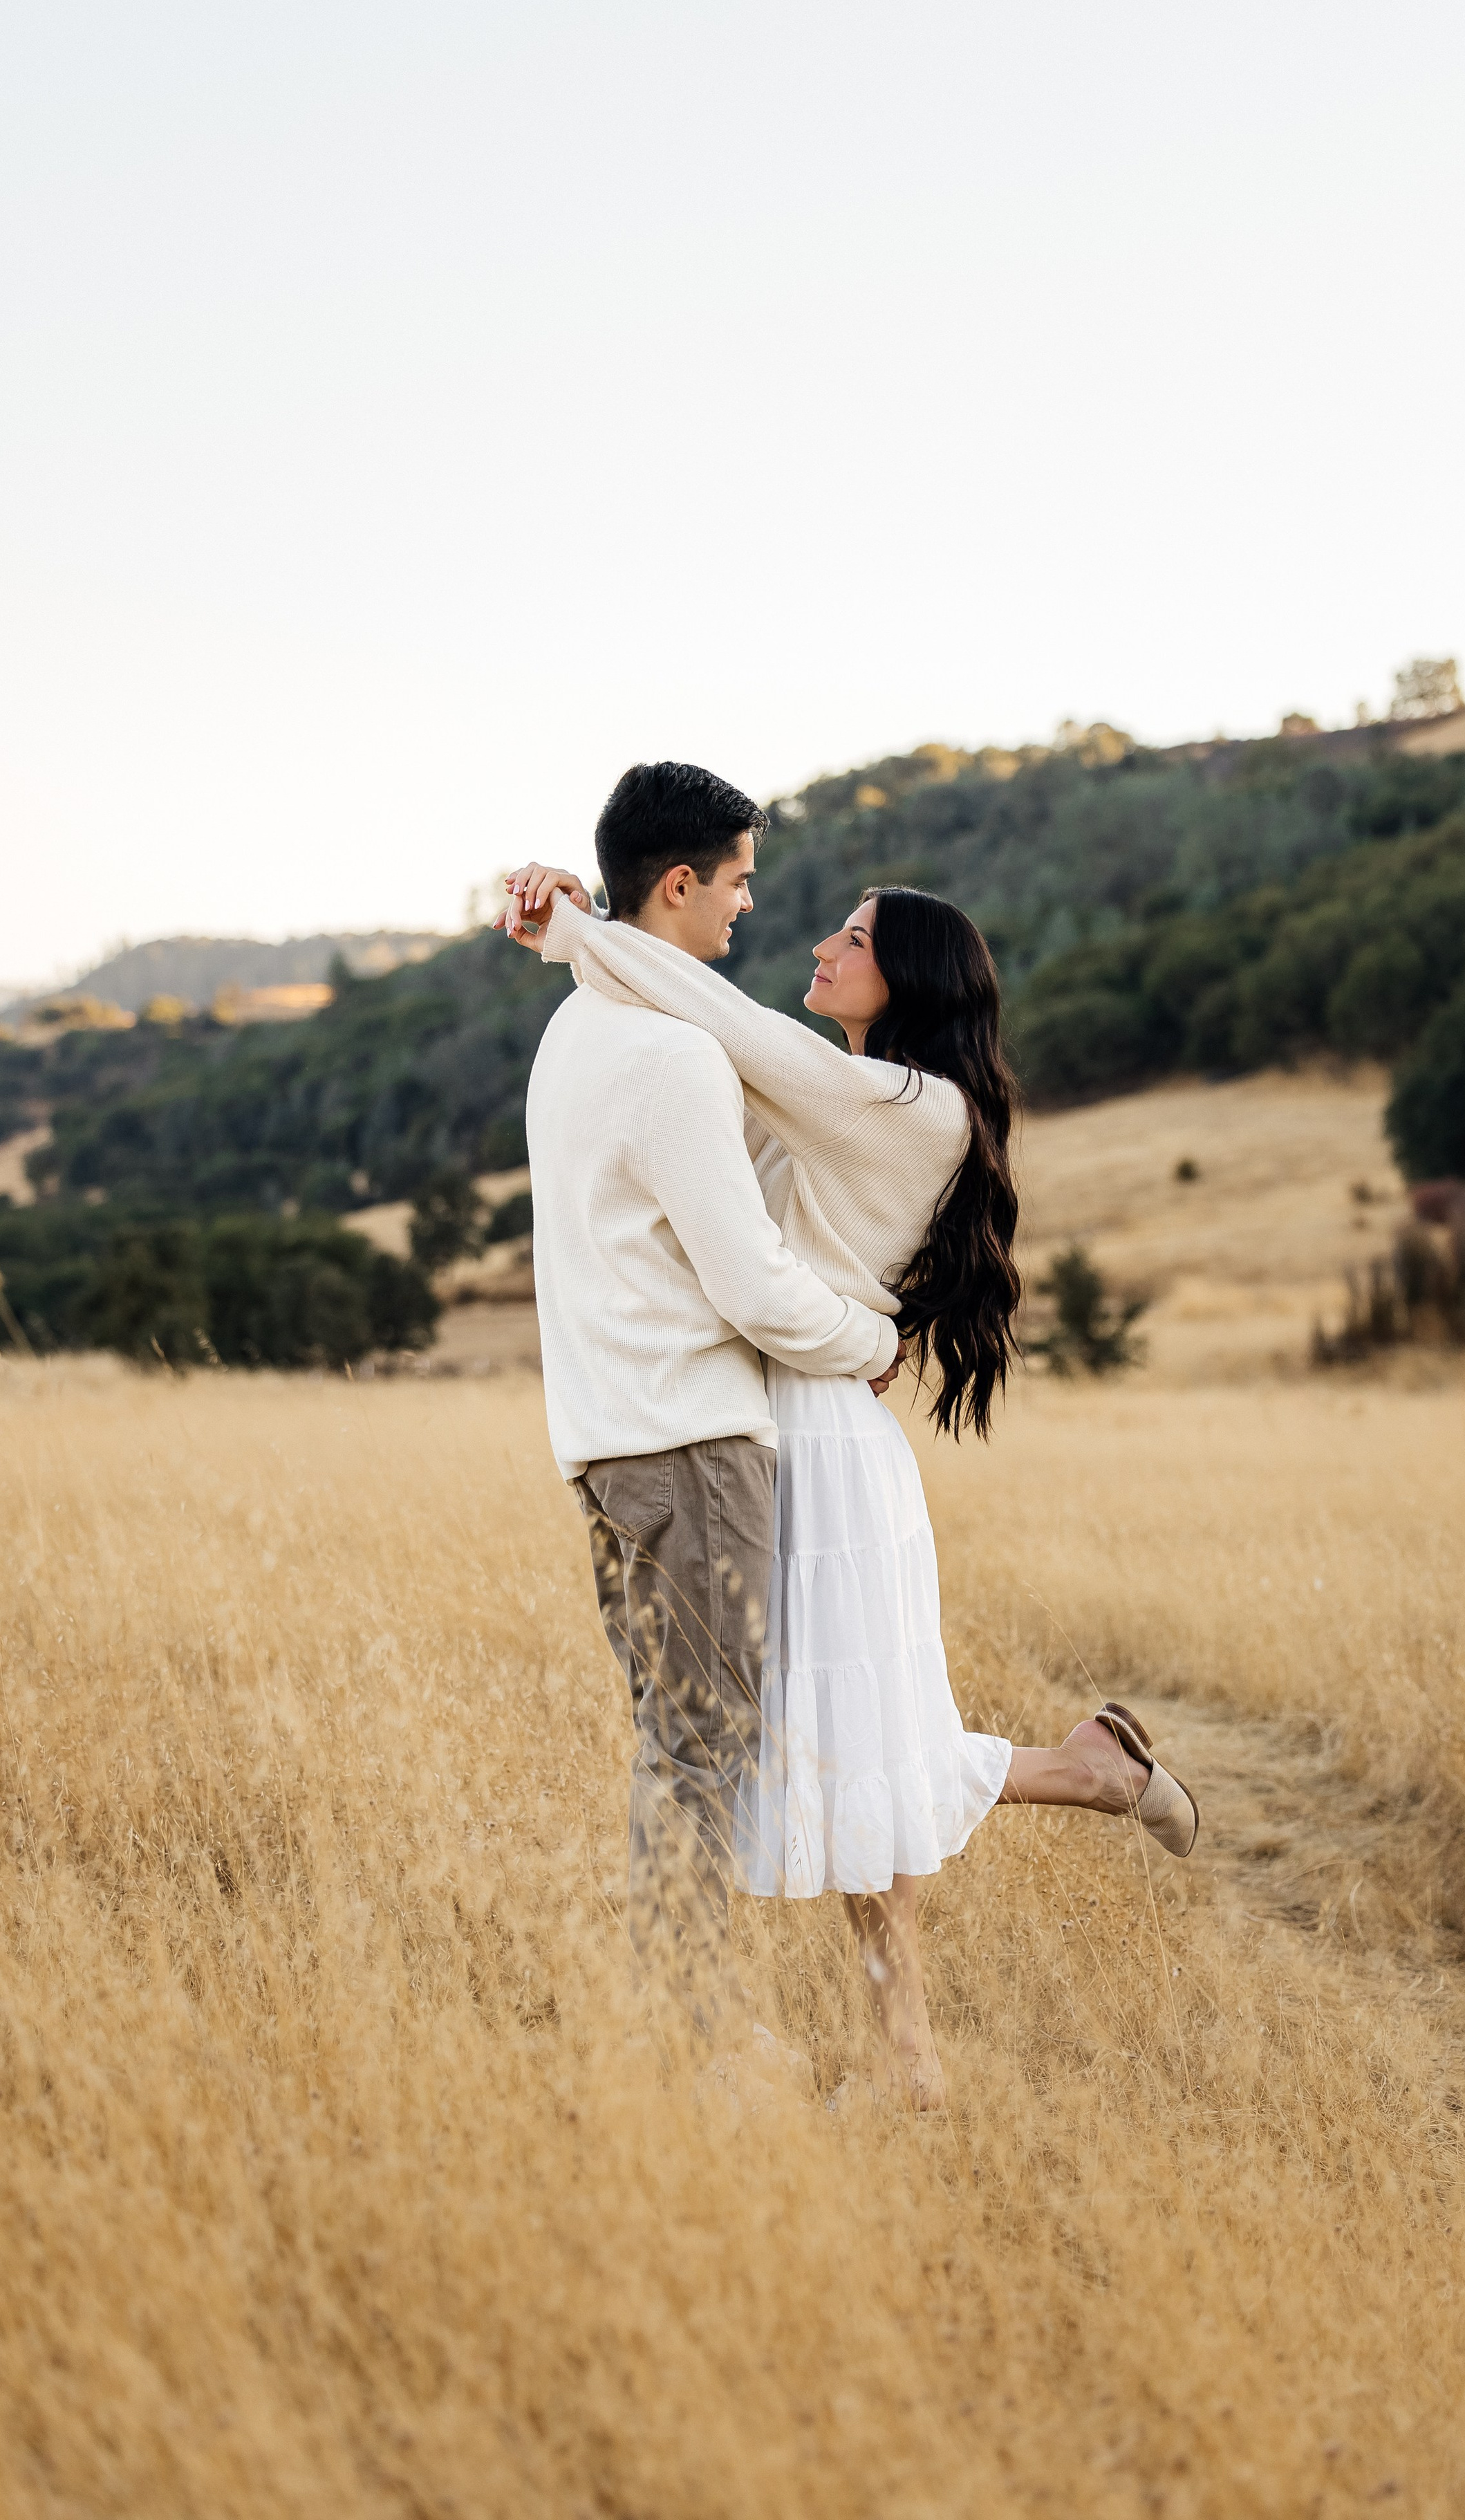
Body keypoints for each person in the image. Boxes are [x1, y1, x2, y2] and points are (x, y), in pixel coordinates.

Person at [504, 840, 1200, 2110]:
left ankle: (913, 2062)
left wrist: (574, 931)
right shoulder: (850, 1093)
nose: (820, 943)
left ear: (910, 980)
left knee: (857, 1757)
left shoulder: (906, 1106)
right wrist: (593, 930)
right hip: (775, 1421)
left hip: (819, 1436)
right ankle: (1082, 1783)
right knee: (852, 1752)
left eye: (855, 938)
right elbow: (696, 1062)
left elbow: (728, 1022)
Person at [516, 763, 902, 2044]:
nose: (747, 906)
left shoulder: (572, 1034)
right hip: (691, 1447)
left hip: (604, 1450)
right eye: (736, 880)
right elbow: (750, 1285)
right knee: (698, 1753)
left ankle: (684, 2024)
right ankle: (689, 2038)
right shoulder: (675, 1057)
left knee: (669, 1739)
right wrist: (868, 1338)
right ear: (677, 883)